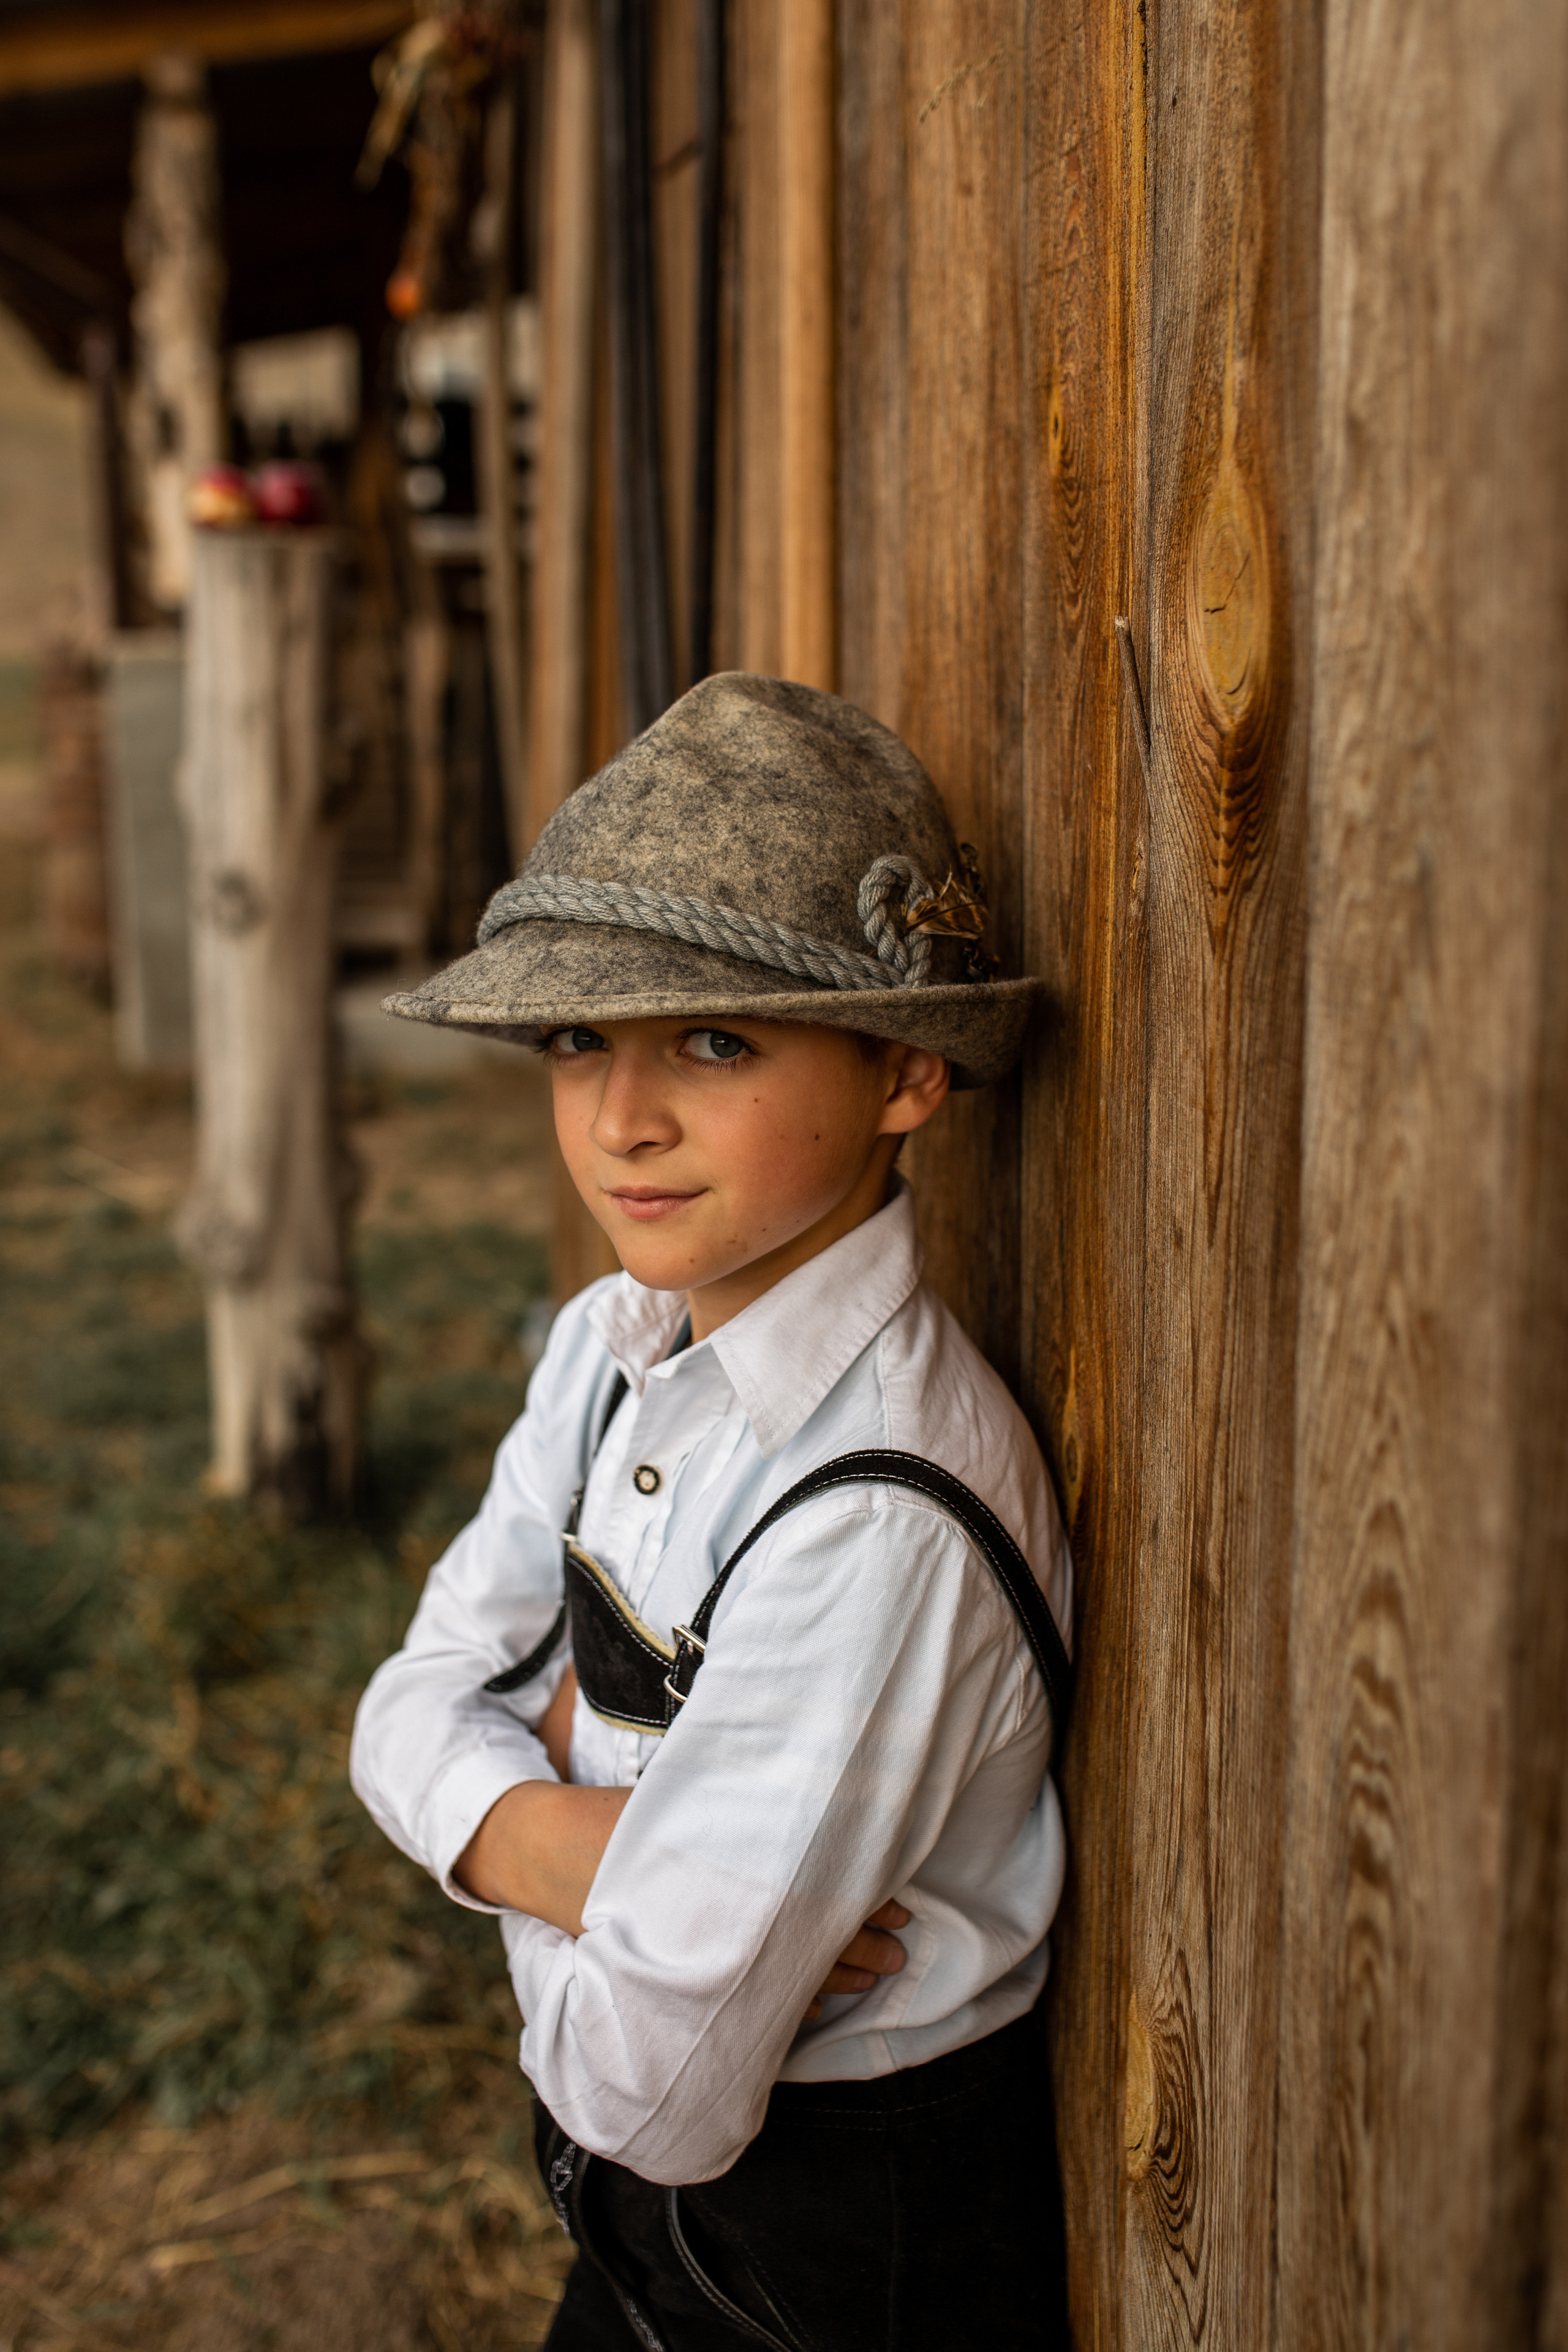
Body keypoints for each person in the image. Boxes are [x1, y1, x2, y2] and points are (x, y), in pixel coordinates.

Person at [351, 673, 1074, 2350]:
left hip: (832, 2250)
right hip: (638, 2245)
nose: (623, 1121)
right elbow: (397, 1705)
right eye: (579, 1041)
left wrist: (505, 1799)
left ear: (906, 1071)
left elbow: (650, 2087)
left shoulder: (881, 1514)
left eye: (717, 1040)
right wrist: (567, 1851)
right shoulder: (609, 1346)